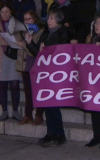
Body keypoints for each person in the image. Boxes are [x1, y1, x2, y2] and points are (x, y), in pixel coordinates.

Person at [73, 14, 100, 149]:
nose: (97, 25)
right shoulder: (92, 38)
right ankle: (96, 136)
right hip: (93, 79)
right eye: (96, 23)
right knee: (94, 109)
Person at [33, 9, 72, 146]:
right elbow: (37, 52)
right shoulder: (45, 33)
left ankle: (59, 133)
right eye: (48, 18)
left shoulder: (63, 32)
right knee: (47, 103)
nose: (48, 21)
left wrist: (47, 47)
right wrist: (31, 43)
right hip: (45, 72)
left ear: (59, 20)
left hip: (57, 73)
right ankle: (50, 132)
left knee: (53, 104)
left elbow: (63, 51)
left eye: (52, 18)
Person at [0, 2, 23, 121]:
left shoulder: (16, 25)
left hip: (13, 58)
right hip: (0, 57)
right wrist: (8, 41)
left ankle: (15, 111)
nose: (4, 14)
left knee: (15, 85)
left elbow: (19, 40)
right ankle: (4, 111)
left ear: (11, 13)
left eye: (7, 12)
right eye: (2, 12)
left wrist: (4, 39)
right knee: (2, 85)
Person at [14, 10, 45, 125]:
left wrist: (25, 45)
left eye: (29, 19)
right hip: (25, 64)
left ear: (35, 20)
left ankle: (39, 115)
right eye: (25, 19)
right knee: (28, 92)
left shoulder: (41, 32)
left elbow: (36, 52)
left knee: (38, 91)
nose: (26, 21)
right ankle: (28, 114)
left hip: (36, 65)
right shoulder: (22, 31)